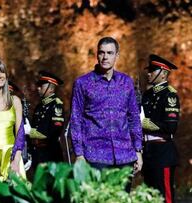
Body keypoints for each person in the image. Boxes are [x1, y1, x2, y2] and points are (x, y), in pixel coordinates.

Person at [69, 37, 143, 191]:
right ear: (97, 55)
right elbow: (76, 120)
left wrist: (138, 150)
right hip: (95, 155)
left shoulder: (126, 82)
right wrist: (79, 154)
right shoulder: (82, 83)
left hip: (125, 155)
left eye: (110, 53)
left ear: (117, 56)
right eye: (101, 53)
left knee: (122, 199)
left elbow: (133, 117)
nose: (105, 57)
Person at [141, 54, 179, 203]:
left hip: (162, 152)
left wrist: (144, 123)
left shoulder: (169, 95)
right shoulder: (147, 94)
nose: (148, 73)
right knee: (149, 197)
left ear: (163, 73)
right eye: (149, 70)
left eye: (153, 70)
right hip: (148, 151)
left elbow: (170, 127)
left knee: (164, 197)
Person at [24, 71, 65, 168]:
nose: (38, 88)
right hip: (37, 153)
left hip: (50, 154)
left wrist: (30, 132)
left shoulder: (56, 105)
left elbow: (53, 131)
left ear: (50, 89)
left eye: (41, 86)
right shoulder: (40, 106)